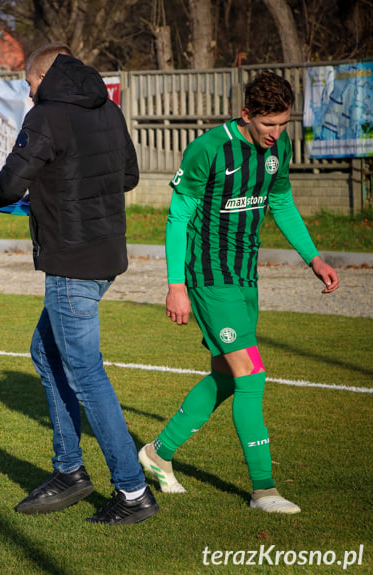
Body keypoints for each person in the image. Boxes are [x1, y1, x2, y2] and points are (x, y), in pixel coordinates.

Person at [0, 44, 158, 525]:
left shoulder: (47, 115)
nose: (28, 94)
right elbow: (127, 176)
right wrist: (63, 188)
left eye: (29, 84)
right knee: (45, 352)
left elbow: (9, 186)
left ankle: (132, 491)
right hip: (107, 254)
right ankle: (69, 470)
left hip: (73, 263)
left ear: (43, 76)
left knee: (85, 372)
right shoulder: (108, 108)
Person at [137, 71, 340, 514]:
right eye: (268, 124)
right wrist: (176, 286)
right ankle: (264, 489)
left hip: (245, 277)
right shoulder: (209, 148)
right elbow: (177, 218)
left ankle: (157, 454)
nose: (277, 134)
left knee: (227, 378)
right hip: (209, 279)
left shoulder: (278, 149)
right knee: (252, 376)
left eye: (283, 124)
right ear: (246, 114)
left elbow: (281, 203)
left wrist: (315, 259)